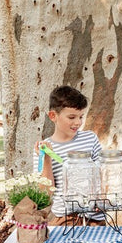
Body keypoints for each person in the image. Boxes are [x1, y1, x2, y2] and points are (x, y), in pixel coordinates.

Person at [35, 85, 102, 223]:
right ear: (53, 116)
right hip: (66, 219)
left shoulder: (90, 139)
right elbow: (45, 193)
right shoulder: (44, 148)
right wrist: (47, 159)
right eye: (71, 117)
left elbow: (103, 173)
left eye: (81, 117)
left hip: (95, 218)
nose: (77, 122)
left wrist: (100, 198)